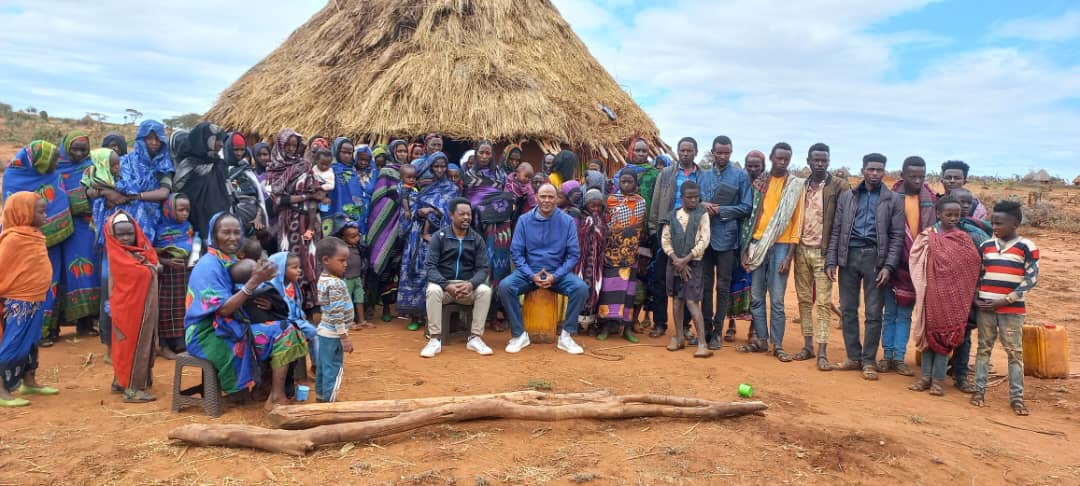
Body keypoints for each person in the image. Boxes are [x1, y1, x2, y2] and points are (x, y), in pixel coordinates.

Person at [184, 213, 309, 410]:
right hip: (207, 333)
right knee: (285, 332)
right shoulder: (208, 266)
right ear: (214, 235)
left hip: (231, 324)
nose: (232, 237)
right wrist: (253, 282)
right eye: (226, 232)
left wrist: (266, 301)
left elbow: (242, 298)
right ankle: (274, 396)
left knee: (285, 327)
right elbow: (224, 309)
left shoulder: (229, 259)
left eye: (236, 232)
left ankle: (265, 389)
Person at [826, 153, 905, 381]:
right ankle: (853, 357)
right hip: (848, 256)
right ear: (862, 170)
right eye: (871, 169)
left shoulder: (892, 200)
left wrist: (888, 266)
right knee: (848, 309)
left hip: (875, 259)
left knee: (873, 313)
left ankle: (869, 360)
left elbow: (897, 236)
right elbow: (837, 229)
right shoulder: (848, 197)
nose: (874, 173)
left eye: (879, 170)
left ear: (884, 172)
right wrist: (832, 260)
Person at [497, 183, 589, 355]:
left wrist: (555, 275)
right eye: (543, 196)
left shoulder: (567, 221)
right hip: (529, 273)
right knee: (505, 287)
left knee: (581, 288)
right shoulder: (524, 220)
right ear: (537, 198)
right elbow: (516, 253)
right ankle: (519, 334)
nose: (547, 200)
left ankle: (566, 336)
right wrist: (532, 275)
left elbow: (573, 255)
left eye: (551, 197)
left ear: (557, 199)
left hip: (557, 273)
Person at [907, 195, 981, 396]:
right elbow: (916, 261)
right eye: (948, 214)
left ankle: (938, 381)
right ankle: (924, 378)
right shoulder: (926, 236)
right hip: (930, 295)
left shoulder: (963, 239)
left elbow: (972, 265)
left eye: (956, 215)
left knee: (945, 338)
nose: (953, 218)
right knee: (928, 335)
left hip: (953, 298)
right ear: (938, 214)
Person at [737, 142, 805, 360]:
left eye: (786, 159)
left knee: (776, 299)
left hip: (782, 247)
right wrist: (746, 248)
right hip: (757, 244)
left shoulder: (795, 186)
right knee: (756, 297)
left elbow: (797, 222)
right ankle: (761, 341)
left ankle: (778, 345)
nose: (782, 162)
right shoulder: (759, 183)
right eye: (779, 158)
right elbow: (749, 218)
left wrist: (789, 255)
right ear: (772, 158)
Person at [970, 201, 1039, 416]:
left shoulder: (1026, 246)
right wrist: (975, 298)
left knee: (1014, 353)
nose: (994, 227)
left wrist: (1006, 300)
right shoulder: (986, 246)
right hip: (986, 308)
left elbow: (1031, 279)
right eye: (992, 223)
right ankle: (978, 391)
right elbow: (978, 275)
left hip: (1012, 310)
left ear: (1015, 224)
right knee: (983, 349)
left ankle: (1017, 398)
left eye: (999, 223)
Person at [2, 141, 71, 353]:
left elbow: (58, 196)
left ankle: (50, 329)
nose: (54, 166)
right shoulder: (14, 177)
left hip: (52, 239)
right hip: (20, 294)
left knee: (54, 281)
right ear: (35, 162)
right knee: (15, 337)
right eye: (49, 163)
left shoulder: (54, 171)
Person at [790, 143, 849, 369]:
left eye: (824, 160)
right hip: (801, 249)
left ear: (829, 161)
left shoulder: (839, 187)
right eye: (816, 160)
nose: (820, 164)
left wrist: (834, 255)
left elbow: (843, 222)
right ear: (808, 161)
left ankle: (822, 351)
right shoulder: (800, 186)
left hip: (824, 253)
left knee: (824, 302)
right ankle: (807, 345)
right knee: (805, 300)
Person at [0, 192, 57, 407]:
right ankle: (1, 389)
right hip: (19, 300)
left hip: (37, 297)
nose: (46, 216)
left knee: (32, 341)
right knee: (14, 342)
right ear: (24, 213)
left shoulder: (34, 234)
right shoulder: (13, 238)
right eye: (40, 212)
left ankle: (29, 381)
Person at [881, 156, 936, 376]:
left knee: (904, 315)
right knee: (889, 314)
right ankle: (886, 356)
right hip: (891, 263)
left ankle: (898, 357)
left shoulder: (930, 199)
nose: (917, 180)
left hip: (916, 266)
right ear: (902, 175)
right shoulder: (891, 197)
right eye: (912, 176)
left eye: (921, 176)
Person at [420, 198, 495, 357]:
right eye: (462, 214)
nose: (467, 217)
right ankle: (434, 340)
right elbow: (430, 267)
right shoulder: (439, 237)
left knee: (485, 291)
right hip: (444, 287)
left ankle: (475, 338)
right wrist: (446, 285)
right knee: (432, 290)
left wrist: (471, 284)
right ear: (451, 215)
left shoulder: (476, 239)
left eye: (469, 214)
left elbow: (483, 269)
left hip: (466, 288)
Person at [697, 136, 752, 350]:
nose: (722, 156)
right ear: (712, 152)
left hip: (727, 239)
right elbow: (694, 201)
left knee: (723, 286)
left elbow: (746, 207)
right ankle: (707, 330)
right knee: (706, 286)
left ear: (731, 152)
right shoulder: (703, 176)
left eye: (726, 153)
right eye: (719, 152)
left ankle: (718, 332)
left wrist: (723, 210)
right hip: (705, 238)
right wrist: (703, 204)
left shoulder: (740, 176)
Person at [647, 137, 701, 340]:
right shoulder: (667, 174)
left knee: (687, 281)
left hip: (691, 235)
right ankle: (660, 323)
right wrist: (654, 229)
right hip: (666, 231)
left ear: (695, 152)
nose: (685, 153)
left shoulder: (701, 176)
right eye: (682, 150)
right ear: (677, 152)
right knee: (660, 279)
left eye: (689, 150)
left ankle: (685, 326)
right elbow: (655, 201)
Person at [398, 152, 459, 330]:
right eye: (436, 166)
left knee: (436, 273)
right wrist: (419, 212)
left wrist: (438, 213)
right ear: (429, 167)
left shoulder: (452, 189)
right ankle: (415, 316)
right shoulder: (418, 185)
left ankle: (433, 317)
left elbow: (453, 213)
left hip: (440, 237)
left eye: (442, 166)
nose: (439, 170)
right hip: (418, 237)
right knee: (417, 271)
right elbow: (407, 209)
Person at [104, 212, 160, 403]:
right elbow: (139, 274)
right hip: (129, 307)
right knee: (132, 344)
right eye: (121, 235)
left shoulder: (137, 250)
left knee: (126, 343)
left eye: (130, 233)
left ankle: (120, 381)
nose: (127, 238)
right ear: (113, 236)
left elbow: (150, 262)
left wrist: (151, 266)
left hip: (134, 304)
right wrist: (152, 268)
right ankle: (132, 389)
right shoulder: (118, 254)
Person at [266, 129, 323, 312]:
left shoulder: (304, 166)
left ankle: (310, 307)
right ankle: (291, 306)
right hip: (287, 224)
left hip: (308, 220)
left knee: (311, 262)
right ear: (280, 146)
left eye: (295, 145)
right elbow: (277, 201)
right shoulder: (274, 169)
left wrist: (312, 226)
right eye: (288, 145)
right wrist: (303, 197)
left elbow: (314, 197)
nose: (292, 149)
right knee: (289, 262)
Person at [52, 130, 101, 341]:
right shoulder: (54, 168)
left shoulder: (90, 167)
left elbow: (98, 192)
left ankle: (85, 322)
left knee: (83, 273)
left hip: (83, 229)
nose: (80, 154)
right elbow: (50, 195)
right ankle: (52, 328)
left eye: (84, 149)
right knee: (57, 276)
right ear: (66, 147)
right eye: (75, 149)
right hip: (56, 230)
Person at [461, 141, 514, 331]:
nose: (484, 156)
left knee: (498, 270)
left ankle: (493, 315)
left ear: (492, 155)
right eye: (481, 153)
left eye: (488, 153)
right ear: (476, 155)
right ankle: (477, 315)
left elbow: (508, 199)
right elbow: (466, 201)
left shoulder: (501, 175)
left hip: (499, 230)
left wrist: (492, 209)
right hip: (476, 229)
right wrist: (480, 210)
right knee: (479, 268)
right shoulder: (467, 176)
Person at [947, 187, 991, 392]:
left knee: (964, 335)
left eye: (968, 202)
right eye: (959, 202)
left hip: (969, 292)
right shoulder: (939, 230)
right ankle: (936, 372)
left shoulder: (978, 234)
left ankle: (960, 374)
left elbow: (987, 265)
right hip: (944, 291)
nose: (964, 206)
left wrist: (976, 291)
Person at [662, 182, 712, 358]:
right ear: (681, 197)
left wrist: (686, 259)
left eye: (696, 197)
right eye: (689, 197)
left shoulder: (702, 214)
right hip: (675, 262)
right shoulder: (673, 216)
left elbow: (704, 240)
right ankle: (679, 337)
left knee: (692, 301)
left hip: (694, 263)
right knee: (676, 301)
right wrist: (676, 259)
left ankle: (702, 343)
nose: (693, 200)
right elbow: (665, 239)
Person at [597, 170, 648, 342]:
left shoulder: (641, 202)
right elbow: (605, 225)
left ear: (635, 183)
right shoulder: (610, 201)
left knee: (628, 293)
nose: (626, 185)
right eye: (623, 181)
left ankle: (626, 328)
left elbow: (641, 228)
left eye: (630, 182)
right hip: (611, 254)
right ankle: (605, 326)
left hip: (631, 254)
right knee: (609, 291)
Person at [725, 151, 766, 342]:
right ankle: (731, 324)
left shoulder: (766, 186)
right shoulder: (739, 183)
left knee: (756, 286)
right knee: (732, 281)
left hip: (758, 243)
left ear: (763, 165)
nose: (753, 169)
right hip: (736, 240)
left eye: (756, 165)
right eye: (749, 165)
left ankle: (753, 328)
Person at [366, 140, 408, 322]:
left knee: (399, 266)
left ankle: (398, 305)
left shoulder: (412, 170)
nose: (402, 154)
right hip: (387, 225)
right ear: (393, 152)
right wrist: (399, 192)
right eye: (399, 151)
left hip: (404, 228)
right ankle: (384, 307)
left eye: (404, 151)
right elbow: (379, 197)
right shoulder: (387, 171)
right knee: (384, 267)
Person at [314, 237, 354, 402]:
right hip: (334, 334)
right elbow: (337, 313)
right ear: (326, 260)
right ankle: (330, 403)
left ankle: (321, 396)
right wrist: (344, 337)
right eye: (342, 260)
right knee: (334, 368)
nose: (345, 264)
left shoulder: (323, 279)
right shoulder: (336, 284)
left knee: (323, 366)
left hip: (324, 331)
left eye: (347, 260)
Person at [173, 122, 228, 243]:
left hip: (222, 224)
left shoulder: (219, 164)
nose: (221, 144)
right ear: (204, 140)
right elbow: (179, 195)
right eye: (217, 139)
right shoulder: (187, 166)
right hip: (194, 227)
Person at [154, 194, 194, 358]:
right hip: (166, 275)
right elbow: (150, 253)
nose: (185, 213)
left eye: (187, 210)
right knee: (165, 309)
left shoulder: (188, 227)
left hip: (183, 275)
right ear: (169, 210)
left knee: (182, 307)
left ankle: (180, 342)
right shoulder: (158, 230)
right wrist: (166, 262)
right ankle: (164, 345)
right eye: (180, 210)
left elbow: (192, 246)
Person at [575, 189, 608, 335]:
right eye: (592, 206)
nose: (595, 209)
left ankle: (592, 323)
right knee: (580, 288)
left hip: (596, 264)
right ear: (585, 205)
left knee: (595, 290)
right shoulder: (580, 217)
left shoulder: (604, 219)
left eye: (598, 206)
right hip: (581, 262)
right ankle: (577, 322)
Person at [331, 219, 372, 330]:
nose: (356, 238)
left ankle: (362, 320)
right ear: (343, 238)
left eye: (357, 235)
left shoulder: (359, 248)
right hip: (346, 279)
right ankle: (348, 322)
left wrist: (362, 276)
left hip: (357, 278)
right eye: (352, 237)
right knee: (346, 301)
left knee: (359, 299)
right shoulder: (341, 249)